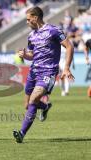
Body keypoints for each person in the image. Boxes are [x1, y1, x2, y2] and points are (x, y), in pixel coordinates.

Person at [13, 6, 74, 143]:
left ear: (35, 17)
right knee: (27, 105)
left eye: (28, 19)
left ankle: (21, 134)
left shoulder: (53, 31)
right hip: (34, 71)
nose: (27, 22)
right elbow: (31, 55)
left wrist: (66, 68)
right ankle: (45, 106)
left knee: (34, 99)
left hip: (48, 72)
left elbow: (69, 46)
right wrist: (24, 55)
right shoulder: (31, 35)